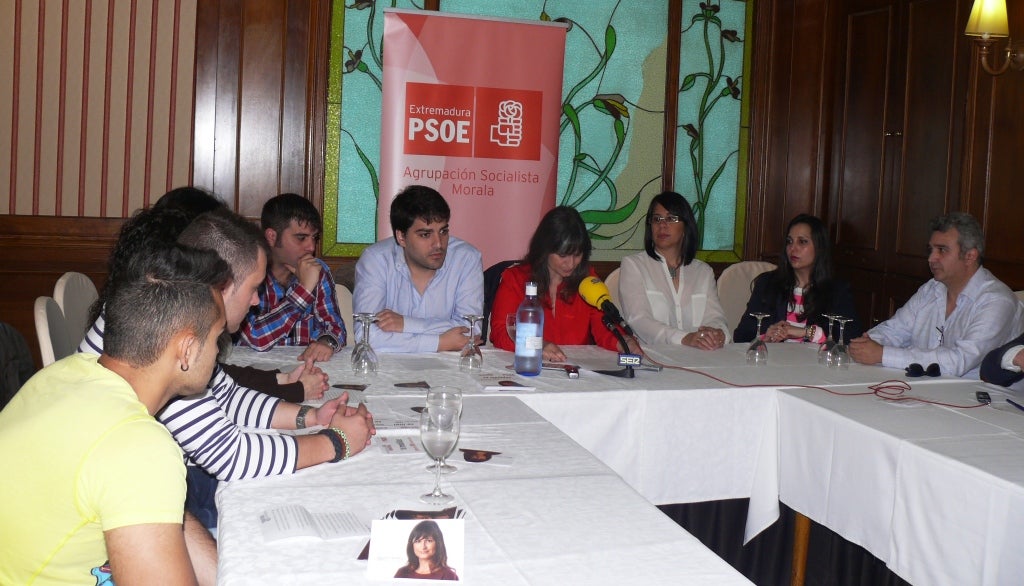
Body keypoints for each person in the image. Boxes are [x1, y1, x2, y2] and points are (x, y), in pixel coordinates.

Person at [79, 207, 374, 529]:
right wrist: (337, 442)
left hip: (154, 474)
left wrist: (311, 417)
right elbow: (229, 456)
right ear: (222, 285)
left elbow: (227, 397)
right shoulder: (164, 327)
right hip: (128, 496)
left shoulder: (175, 306)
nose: (256, 302)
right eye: (253, 288)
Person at [0, 246, 227, 585]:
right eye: (217, 338)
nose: (218, 351)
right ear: (188, 350)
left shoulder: (63, 373)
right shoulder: (138, 446)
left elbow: (154, 511)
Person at [86, 186, 326, 402]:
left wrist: (282, 382)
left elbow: (220, 381)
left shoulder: (147, 297)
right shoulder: (159, 321)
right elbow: (209, 427)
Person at [849, 212, 1023, 378]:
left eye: (942, 250)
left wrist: (882, 354)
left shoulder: (998, 301)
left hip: (978, 394)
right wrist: (865, 344)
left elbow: (959, 361)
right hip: (925, 387)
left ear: (970, 256)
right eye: (931, 250)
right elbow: (894, 330)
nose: (931, 258)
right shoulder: (931, 289)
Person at [489, 206, 640, 360]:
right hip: (530, 365)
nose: (571, 263)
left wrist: (623, 341)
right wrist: (538, 345)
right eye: (563, 255)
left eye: (577, 255)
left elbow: (604, 327)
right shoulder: (515, 279)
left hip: (576, 367)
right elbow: (501, 332)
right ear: (545, 249)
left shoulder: (588, 280)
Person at [354, 185, 484, 353]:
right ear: (401, 237)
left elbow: (471, 329)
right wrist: (440, 342)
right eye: (425, 235)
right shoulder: (375, 260)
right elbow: (366, 335)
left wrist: (406, 324)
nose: (438, 244)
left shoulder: (466, 258)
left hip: (448, 365)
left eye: (443, 231)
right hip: (390, 365)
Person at [239, 192, 347, 362]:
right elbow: (254, 337)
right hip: (253, 369)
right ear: (272, 237)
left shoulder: (317, 269)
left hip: (304, 368)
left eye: (314, 238)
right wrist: (303, 291)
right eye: (301, 238)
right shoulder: (247, 269)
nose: (311, 247)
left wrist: (326, 342)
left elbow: (335, 327)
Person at [619, 192, 729, 349]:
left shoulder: (703, 272)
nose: (662, 225)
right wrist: (684, 338)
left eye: (671, 218)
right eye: (657, 219)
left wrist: (717, 333)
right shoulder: (634, 265)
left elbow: (715, 316)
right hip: (651, 355)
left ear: (686, 227)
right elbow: (638, 320)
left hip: (699, 356)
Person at [734, 214, 862, 344]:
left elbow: (849, 339)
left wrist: (807, 332)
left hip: (814, 357)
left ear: (819, 247)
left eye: (802, 242)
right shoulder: (767, 283)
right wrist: (765, 337)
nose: (793, 248)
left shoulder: (837, 290)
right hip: (774, 356)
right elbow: (741, 335)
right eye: (789, 241)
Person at [393, 520, 459, 580]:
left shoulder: (449, 576)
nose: (423, 546)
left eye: (429, 541)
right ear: (412, 545)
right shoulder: (402, 574)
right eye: (418, 541)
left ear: (438, 544)